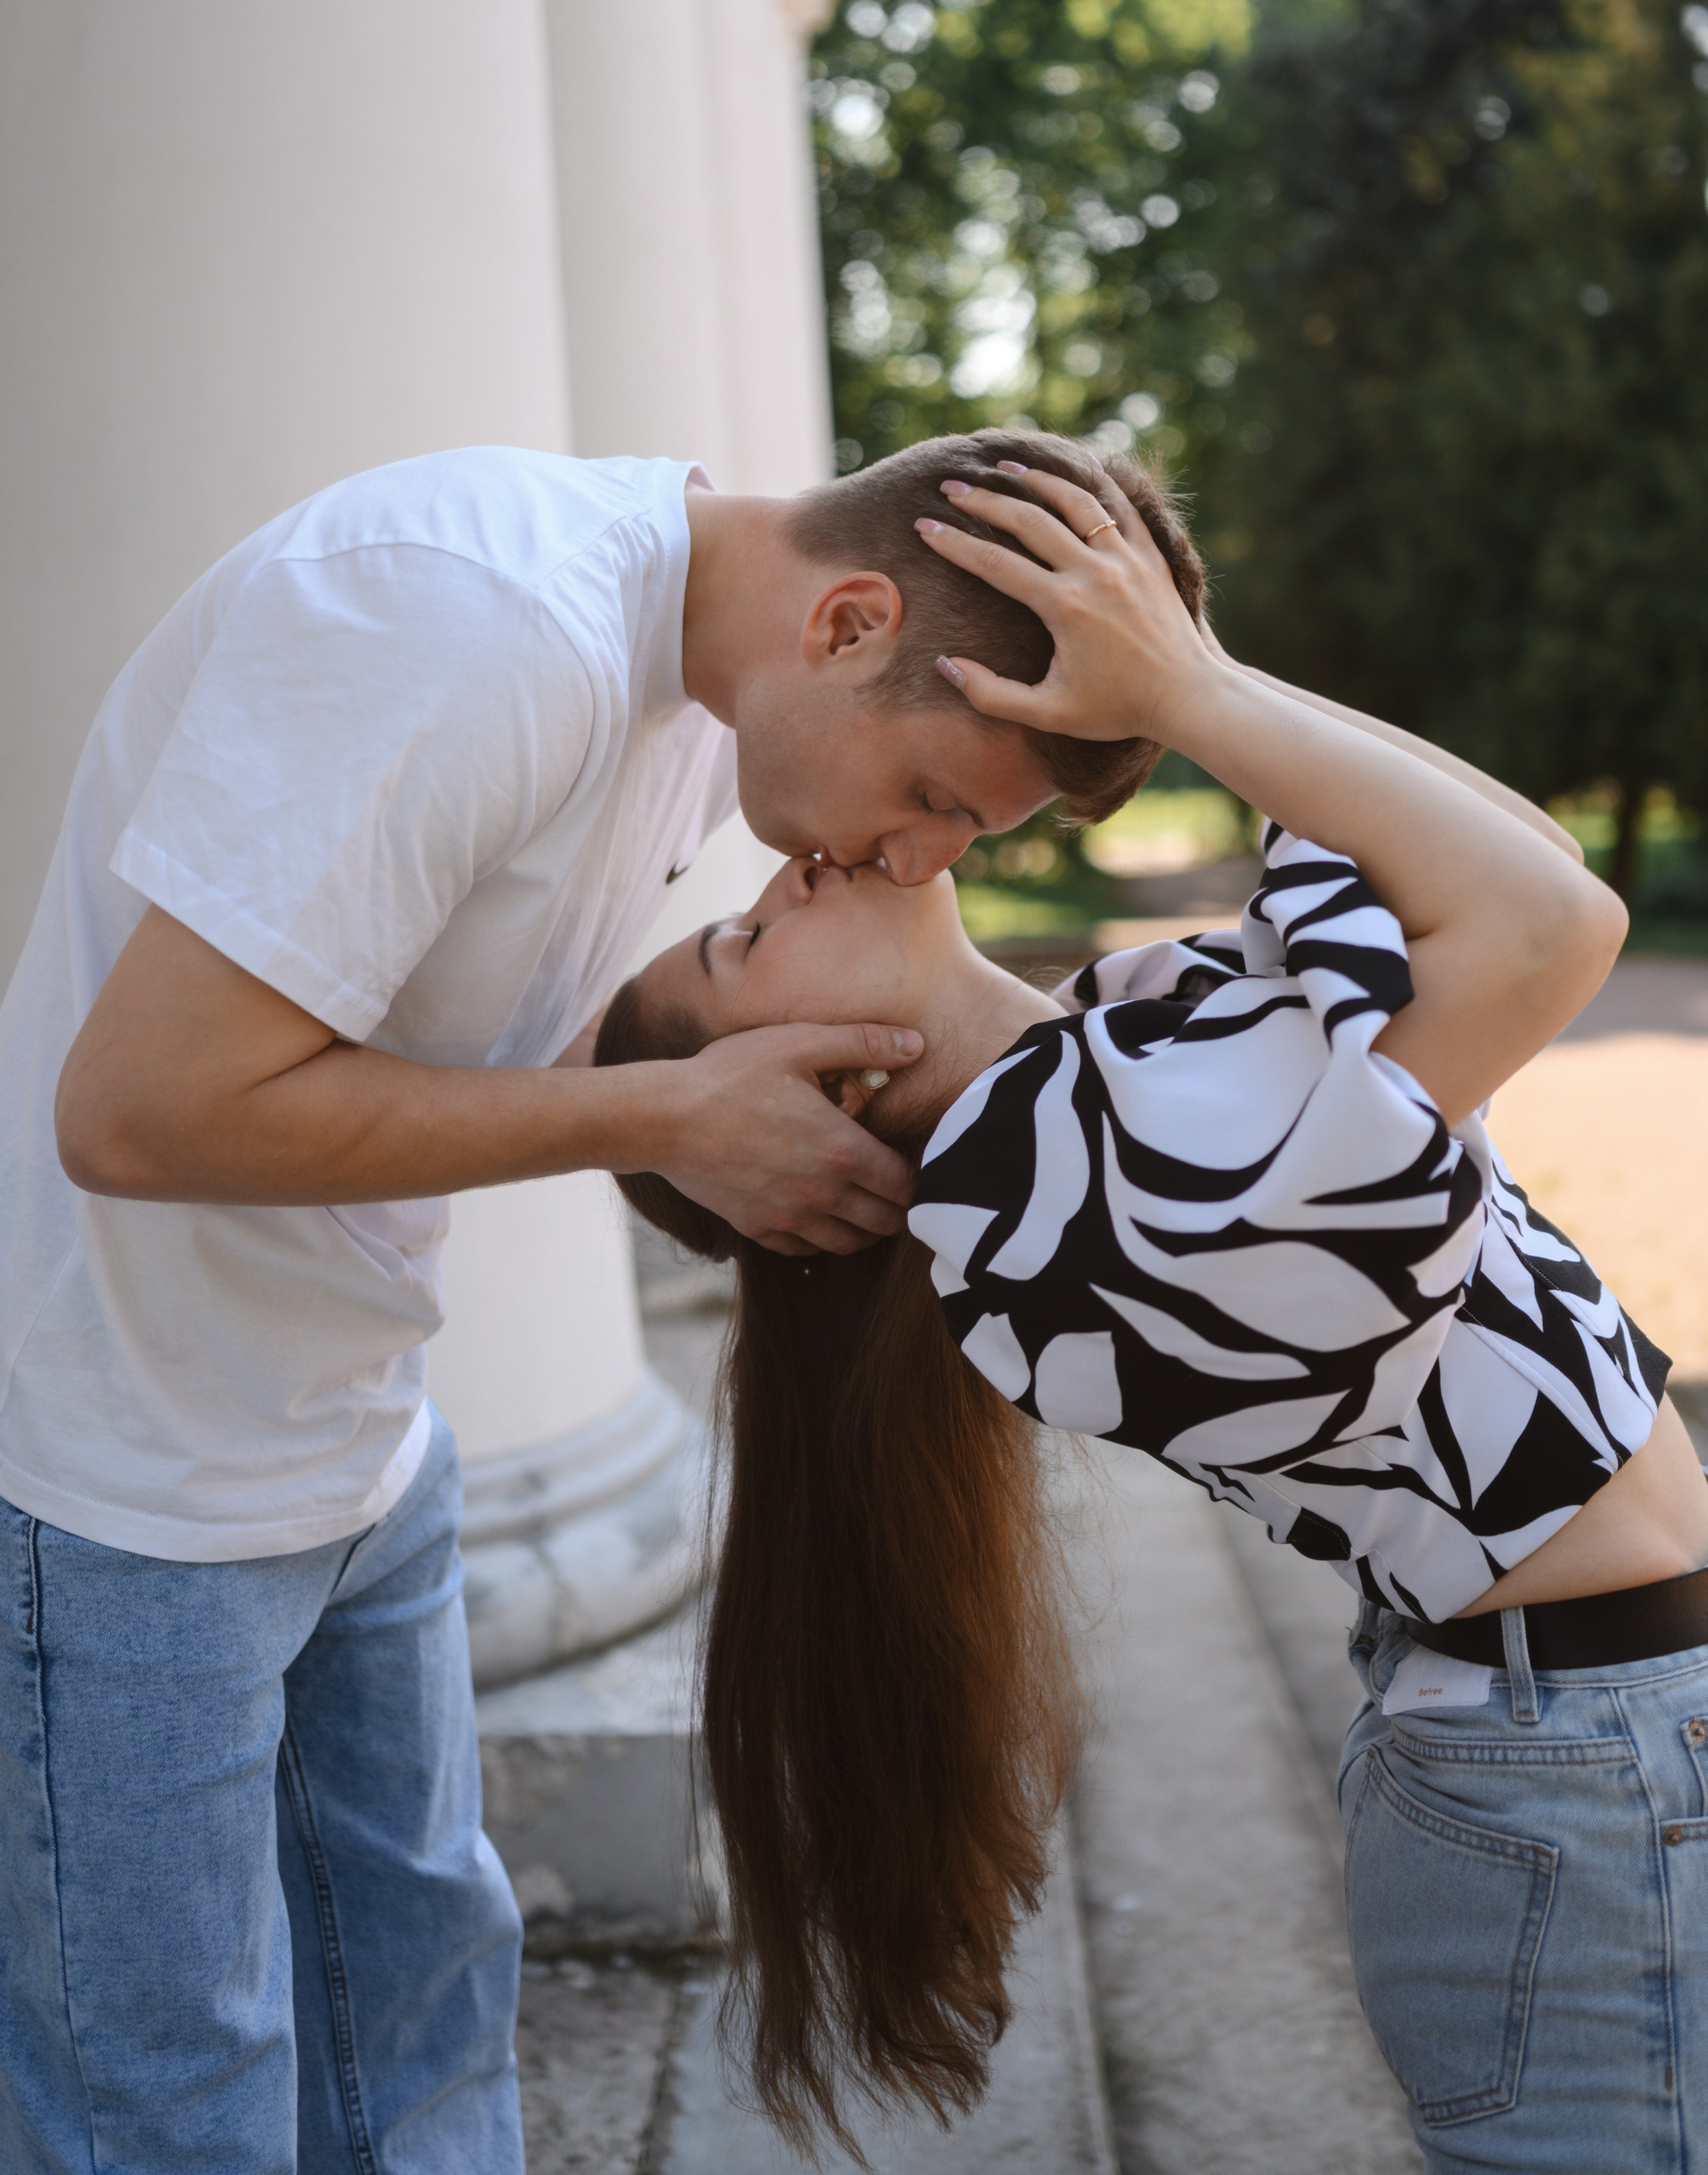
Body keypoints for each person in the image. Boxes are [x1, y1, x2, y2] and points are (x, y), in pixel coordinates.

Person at [0, 430, 1189, 2172]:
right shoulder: (470, 627)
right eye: (941, 798)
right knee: (168, 2103)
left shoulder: (694, 672)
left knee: (423, 2041)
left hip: (359, 1444)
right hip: (126, 1478)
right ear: (853, 623)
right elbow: (133, 1113)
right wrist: (657, 1114)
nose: (921, 859)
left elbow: (399, 1014)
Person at [597, 456, 1708, 2170]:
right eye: (740, 950)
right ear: (798, 1104)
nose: (782, 882)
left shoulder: (1104, 1071)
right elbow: (1546, 919)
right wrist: (1191, 695)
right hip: (1577, 1762)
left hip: (1586, 1736)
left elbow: (1502, 860)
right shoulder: (1073, 1212)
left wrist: (1180, 663)